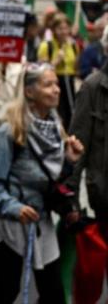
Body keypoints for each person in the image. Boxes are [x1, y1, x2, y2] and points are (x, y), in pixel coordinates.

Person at [0, 63, 84, 304]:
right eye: (48, 84)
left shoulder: (56, 130)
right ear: (30, 92)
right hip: (9, 224)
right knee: (7, 291)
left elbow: (50, 180)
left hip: (40, 222)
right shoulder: (9, 132)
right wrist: (15, 207)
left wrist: (69, 163)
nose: (56, 89)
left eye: (56, 83)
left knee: (54, 294)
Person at [67, 24, 108, 303]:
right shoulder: (93, 88)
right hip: (100, 199)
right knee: (90, 279)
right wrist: (71, 199)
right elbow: (77, 148)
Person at [37, 13, 78, 127]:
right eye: (60, 28)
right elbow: (41, 70)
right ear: (54, 29)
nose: (64, 32)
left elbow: (75, 66)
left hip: (69, 82)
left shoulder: (73, 45)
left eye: (66, 28)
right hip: (54, 82)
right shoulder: (46, 46)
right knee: (56, 114)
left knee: (71, 113)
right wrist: (56, 61)